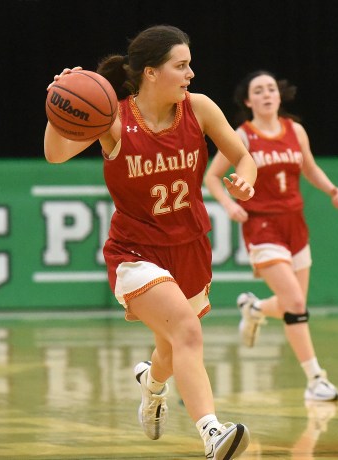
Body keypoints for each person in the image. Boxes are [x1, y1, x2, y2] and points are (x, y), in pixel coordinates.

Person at [44, 25, 255, 460]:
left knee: (170, 347)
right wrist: (59, 102)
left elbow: (243, 156)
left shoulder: (199, 108)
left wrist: (246, 182)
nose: (191, 74)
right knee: (187, 331)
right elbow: (55, 153)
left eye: (190, 64)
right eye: (181, 65)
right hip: (135, 252)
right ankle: (212, 433)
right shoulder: (113, 119)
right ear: (151, 73)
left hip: (190, 244)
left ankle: (152, 385)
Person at [204, 70, 338, 403]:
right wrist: (228, 204)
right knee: (295, 303)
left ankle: (254, 308)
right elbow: (212, 176)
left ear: (279, 96)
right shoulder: (242, 135)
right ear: (248, 101)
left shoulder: (295, 130)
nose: (267, 94)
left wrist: (331, 189)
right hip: (262, 225)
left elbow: (308, 167)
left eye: (272, 89)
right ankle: (315, 379)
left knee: (292, 305)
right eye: (259, 90)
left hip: (295, 224)